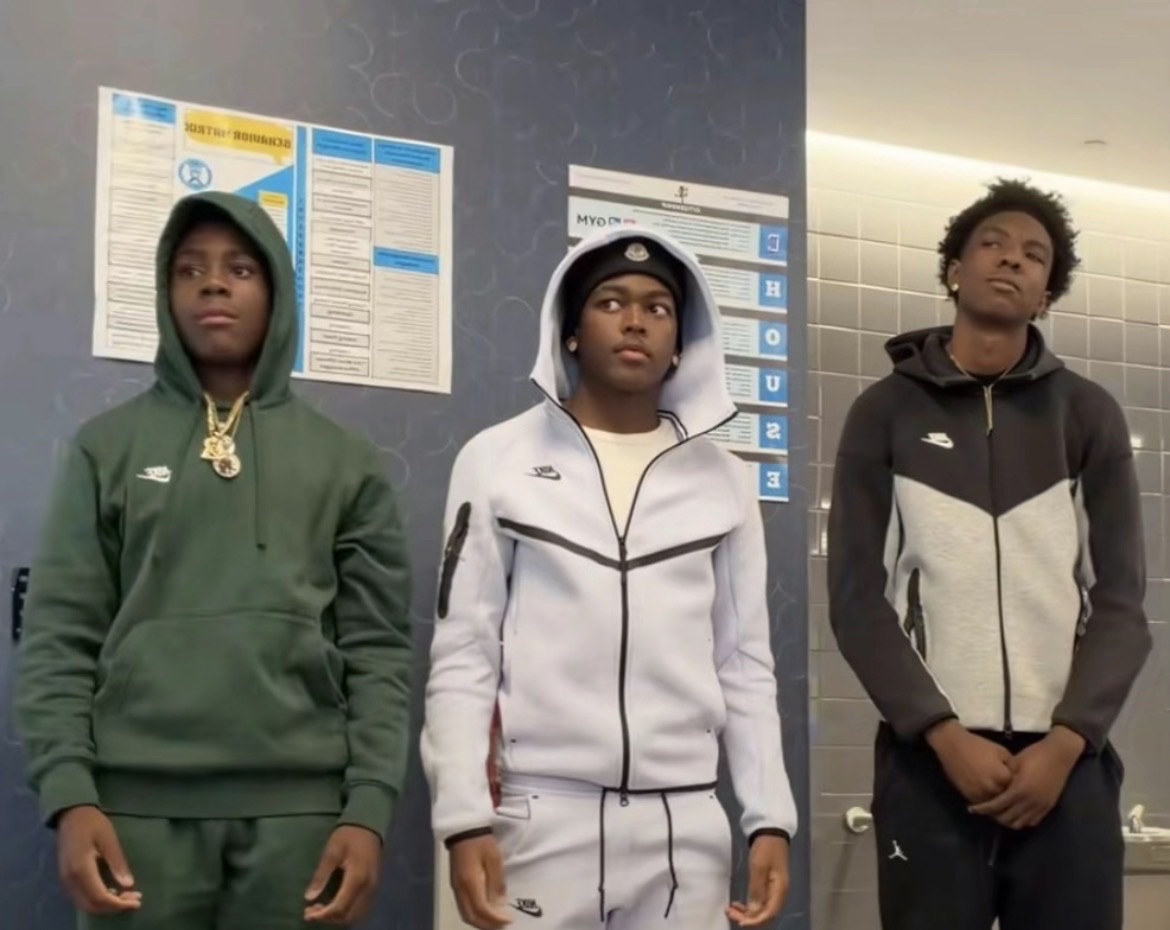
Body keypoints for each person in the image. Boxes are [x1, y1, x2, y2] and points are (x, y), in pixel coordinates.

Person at [15, 191, 414, 929]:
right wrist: (69, 796)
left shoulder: (347, 463)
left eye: (240, 269)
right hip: (133, 813)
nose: (214, 285)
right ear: (165, 292)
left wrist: (369, 808)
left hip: (302, 818)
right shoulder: (106, 448)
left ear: (277, 293)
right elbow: (59, 636)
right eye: (190, 269)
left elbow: (379, 651)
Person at [421, 227, 797, 930]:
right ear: (570, 331)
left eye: (657, 308)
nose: (635, 321)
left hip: (685, 825)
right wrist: (463, 818)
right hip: (537, 816)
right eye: (611, 302)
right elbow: (464, 653)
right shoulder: (496, 459)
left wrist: (769, 816)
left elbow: (745, 665)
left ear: (680, 341)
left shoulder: (725, 481)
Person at [828, 178, 1151, 930]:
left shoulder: (1088, 415)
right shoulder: (884, 412)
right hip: (931, 768)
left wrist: (1067, 743)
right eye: (993, 245)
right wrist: (944, 736)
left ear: (1047, 295)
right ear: (954, 269)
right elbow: (855, 600)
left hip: (1066, 768)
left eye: (1035, 256)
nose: (1012, 260)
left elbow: (1122, 605)